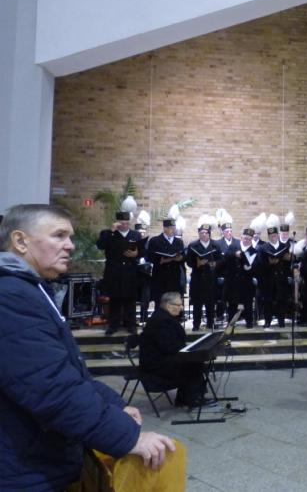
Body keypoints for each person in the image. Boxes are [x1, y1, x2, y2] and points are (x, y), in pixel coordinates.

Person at [0, 204, 175, 490]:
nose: (70, 245)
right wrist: (126, 437)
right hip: (21, 468)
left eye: (69, 237)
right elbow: (52, 387)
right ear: (20, 241)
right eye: (59, 235)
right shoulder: (10, 296)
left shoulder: (28, 288)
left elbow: (67, 371)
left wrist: (115, 405)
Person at [139, 292, 207, 407]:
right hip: (156, 366)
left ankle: (187, 398)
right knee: (194, 363)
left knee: (193, 360)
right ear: (168, 305)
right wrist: (188, 351)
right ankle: (192, 399)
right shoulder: (161, 320)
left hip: (161, 359)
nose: (181, 308)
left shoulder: (163, 317)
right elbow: (168, 347)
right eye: (179, 305)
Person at [96, 210, 140, 335]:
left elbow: (142, 251)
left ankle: (130, 325)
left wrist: (136, 254)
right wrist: (112, 231)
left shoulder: (135, 234)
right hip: (114, 271)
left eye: (127, 222)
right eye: (122, 222)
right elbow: (100, 245)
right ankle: (113, 325)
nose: (124, 225)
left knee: (130, 300)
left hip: (130, 271)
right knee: (114, 299)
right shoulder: (108, 233)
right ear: (117, 222)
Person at [185, 220, 221, 331]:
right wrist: (197, 263)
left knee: (210, 302)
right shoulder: (193, 245)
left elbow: (221, 259)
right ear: (199, 233)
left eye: (206, 233)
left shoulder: (215, 245)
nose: (204, 235)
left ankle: (210, 323)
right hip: (198, 277)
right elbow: (188, 261)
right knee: (197, 303)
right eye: (201, 233)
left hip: (211, 278)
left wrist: (215, 263)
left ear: (209, 234)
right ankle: (196, 324)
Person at [147, 219, 185, 305]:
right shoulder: (155, 241)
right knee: (160, 302)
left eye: (174, 228)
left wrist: (181, 258)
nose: (173, 230)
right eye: (171, 228)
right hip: (160, 277)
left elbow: (183, 256)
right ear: (165, 228)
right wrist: (162, 260)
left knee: (174, 302)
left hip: (175, 277)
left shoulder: (179, 241)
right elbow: (150, 257)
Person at [234, 228, 259, 328]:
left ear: (251, 239)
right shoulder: (235, 247)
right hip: (235, 280)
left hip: (247, 281)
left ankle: (249, 322)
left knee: (248, 302)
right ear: (241, 238)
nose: (246, 240)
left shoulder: (254, 251)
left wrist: (250, 268)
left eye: (249, 239)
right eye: (245, 238)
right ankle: (233, 321)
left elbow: (257, 266)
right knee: (234, 302)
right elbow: (227, 258)